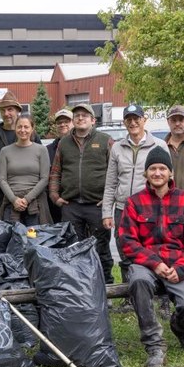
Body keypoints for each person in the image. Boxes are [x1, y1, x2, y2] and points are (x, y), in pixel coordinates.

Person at [119, 147, 184, 367]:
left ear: (171, 173)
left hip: (178, 264)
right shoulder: (133, 203)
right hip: (145, 264)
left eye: (162, 169)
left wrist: (182, 268)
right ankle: (154, 345)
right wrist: (154, 263)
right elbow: (127, 241)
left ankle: (181, 329)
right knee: (138, 282)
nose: (157, 173)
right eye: (153, 169)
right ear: (145, 174)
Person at [102, 105, 169, 295]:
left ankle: (161, 296)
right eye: (129, 119)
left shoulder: (159, 145)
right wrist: (107, 211)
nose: (133, 122)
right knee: (125, 251)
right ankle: (128, 295)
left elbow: (167, 179)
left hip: (150, 208)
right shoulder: (117, 147)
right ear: (124, 122)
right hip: (123, 208)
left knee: (155, 250)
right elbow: (111, 182)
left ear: (144, 120)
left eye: (136, 118)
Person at [49, 103, 115, 284]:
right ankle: (80, 287)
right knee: (73, 247)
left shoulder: (105, 140)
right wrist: (55, 196)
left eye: (85, 115)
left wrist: (108, 199)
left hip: (97, 205)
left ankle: (106, 285)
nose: (80, 118)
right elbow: (55, 172)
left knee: (101, 247)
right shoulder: (63, 143)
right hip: (71, 206)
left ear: (93, 120)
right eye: (77, 115)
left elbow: (115, 171)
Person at [0, 91, 41, 215]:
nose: (6, 114)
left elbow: (40, 164)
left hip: (29, 196)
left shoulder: (31, 135)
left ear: (17, 111)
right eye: (3, 110)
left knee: (30, 233)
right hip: (2, 194)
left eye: (10, 109)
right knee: (4, 231)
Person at [0, 114, 51, 225]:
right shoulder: (5, 151)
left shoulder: (42, 150)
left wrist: (27, 199)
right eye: (19, 127)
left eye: (26, 127)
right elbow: (2, 179)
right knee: (11, 239)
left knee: (35, 239)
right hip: (11, 203)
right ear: (15, 128)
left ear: (32, 129)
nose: (23, 130)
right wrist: (14, 200)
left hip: (36, 204)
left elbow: (45, 179)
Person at [46, 108, 73, 223]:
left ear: (73, 122)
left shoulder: (82, 147)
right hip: (54, 203)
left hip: (75, 202)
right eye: (59, 122)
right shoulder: (48, 150)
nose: (62, 124)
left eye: (66, 121)